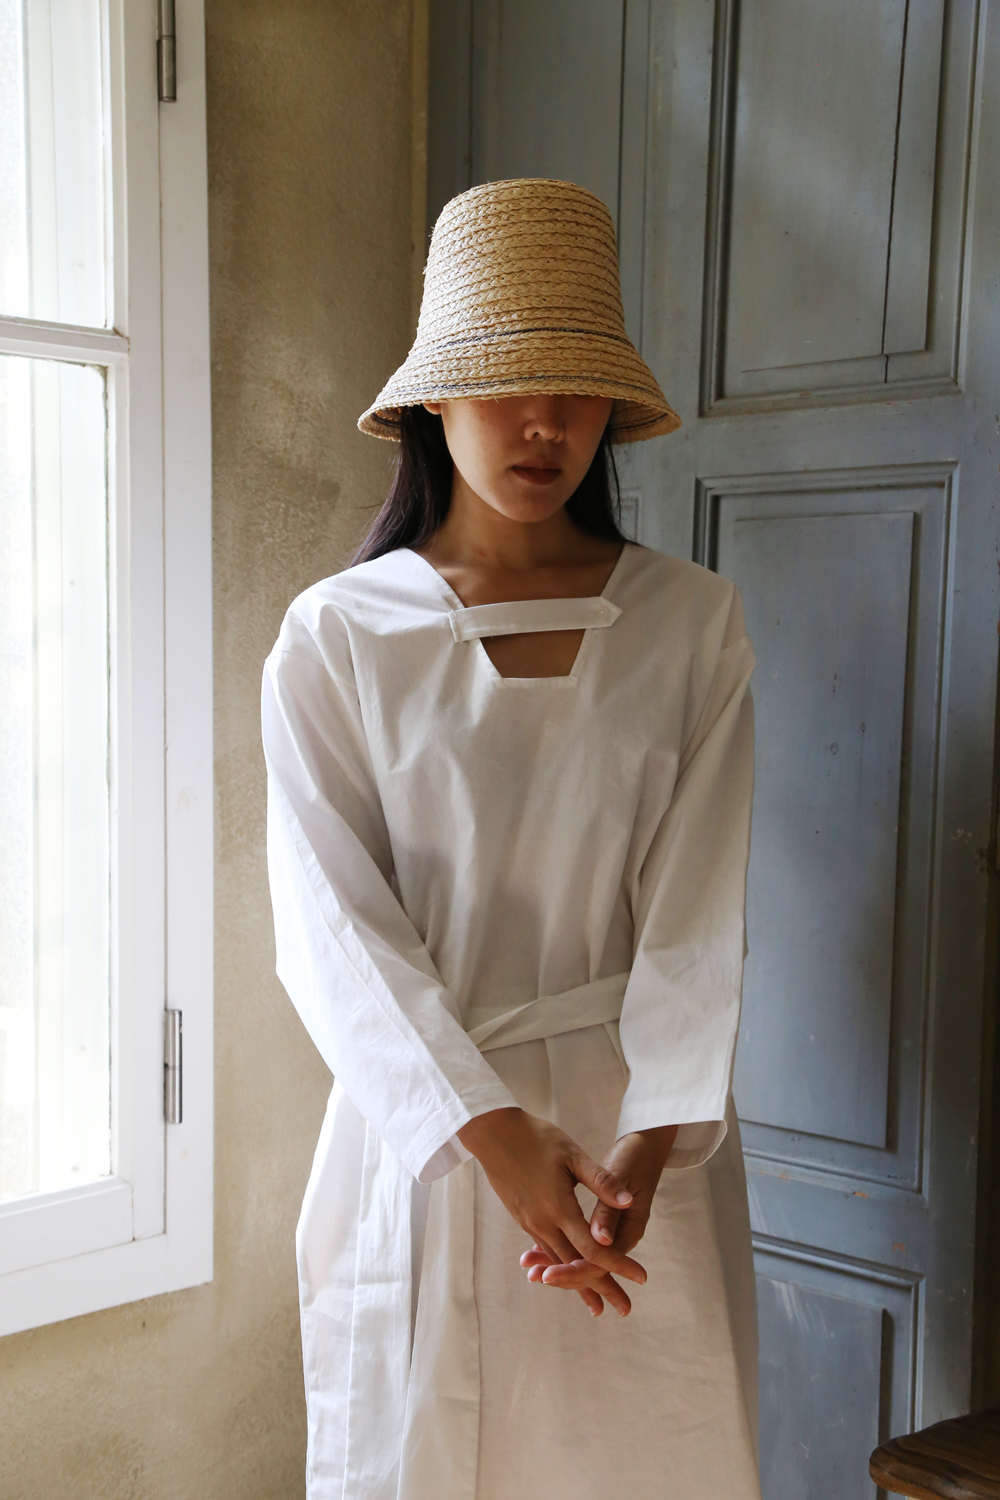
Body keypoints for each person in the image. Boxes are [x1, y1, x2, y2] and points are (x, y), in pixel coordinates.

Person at [263, 178, 760, 1500]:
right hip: (429, 1136)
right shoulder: (340, 634)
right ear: (434, 398)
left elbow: (699, 916)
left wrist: (647, 1150)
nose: (547, 422)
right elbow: (333, 927)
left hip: (639, 1155)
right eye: (506, 383)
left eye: (579, 388)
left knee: (653, 1461)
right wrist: (489, 1132)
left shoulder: (692, 624)